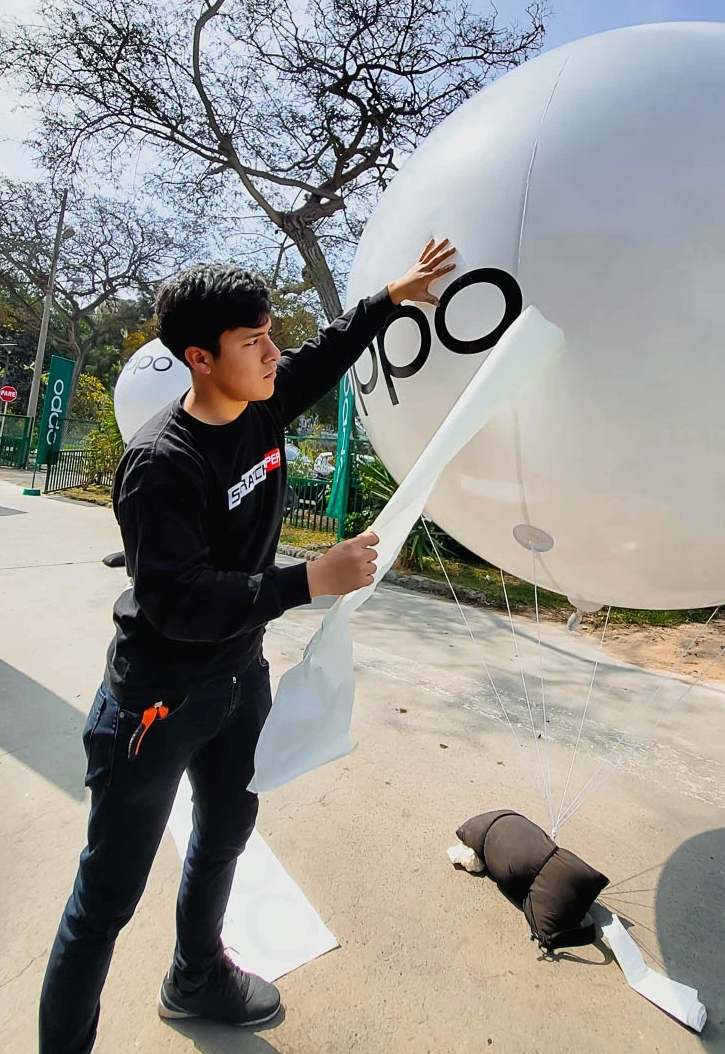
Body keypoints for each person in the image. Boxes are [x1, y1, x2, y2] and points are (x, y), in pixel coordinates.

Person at [38, 238, 456, 1052]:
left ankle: (195, 976)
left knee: (226, 832)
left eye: (269, 335)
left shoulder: (263, 400)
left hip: (239, 683)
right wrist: (308, 581)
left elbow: (326, 355)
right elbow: (177, 602)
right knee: (105, 901)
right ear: (199, 358)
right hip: (156, 703)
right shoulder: (160, 464)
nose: (273, 353)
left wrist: (391, 298)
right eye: (252, 342)